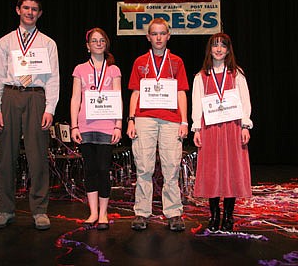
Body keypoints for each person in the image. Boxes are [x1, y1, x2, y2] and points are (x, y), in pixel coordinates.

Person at [0, 0, 60, 230]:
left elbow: (53, 80)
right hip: (10, 95)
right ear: (18, 10)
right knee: (6, 154)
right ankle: (5, 209)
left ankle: (39, 210)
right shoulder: (5, 42)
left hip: (36, 97)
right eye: (26, 8)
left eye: (34, 9)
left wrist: (50, 108)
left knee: (38, 154)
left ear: (40, 14)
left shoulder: (48, 43)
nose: (30, 12)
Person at [126, 18, 189, 232]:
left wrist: (184, 120)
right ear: (148, 37)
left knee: (171, 166)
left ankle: (173, 212)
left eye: (163, 33)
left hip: (171, 119)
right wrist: (131, 119)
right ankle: (142, 212)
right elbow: (135, 92)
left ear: (168, 36)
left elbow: (181, 92)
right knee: (144, 166)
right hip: (144, 118)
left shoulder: (177, 62)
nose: (159, 37)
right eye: (155, 33)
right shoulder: (140, 62)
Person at [191, 32, 252, 232]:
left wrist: (245, 125)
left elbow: (245, 101)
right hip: (209, 128)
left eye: (222, 45)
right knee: (212, 171)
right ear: (209, 49)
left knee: (231, 170)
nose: (218, 49)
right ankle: (214, 214)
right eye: (215, 45)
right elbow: (196, 105)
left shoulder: (237, 74)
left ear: (228, 50)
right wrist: (196, 129)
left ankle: (228, 214)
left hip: (232, 128)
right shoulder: (201, 77)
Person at [70, 28, 122, 231]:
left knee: (103, 169)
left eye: (102, 40)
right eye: (94, 40)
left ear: (106, 44)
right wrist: (74, 125)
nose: (98, 43)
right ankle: (92, 212)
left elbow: (118, 97)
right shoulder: (80, 69)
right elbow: (75, 98)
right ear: (88, 46)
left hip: (107, 126)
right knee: (90, 170)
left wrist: (118, 124)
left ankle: (103, 213)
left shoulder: (114, 70)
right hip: (85, 126)